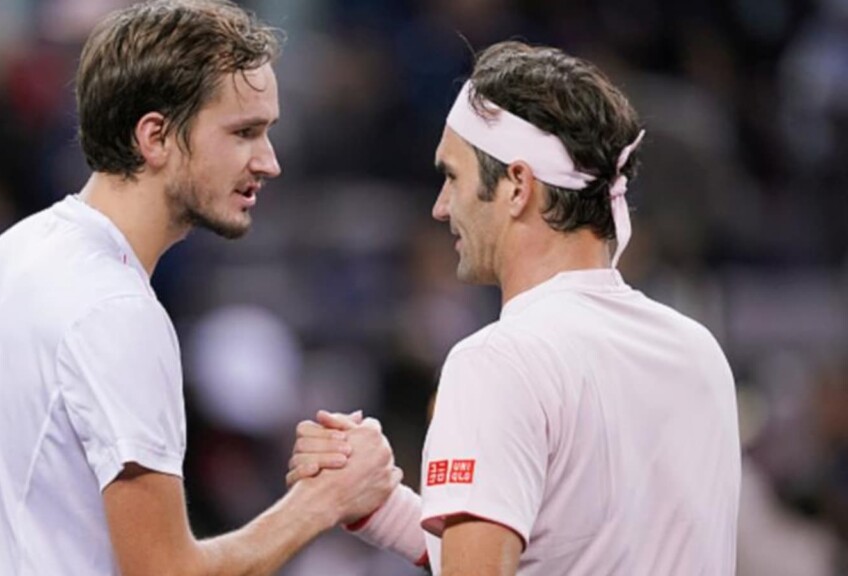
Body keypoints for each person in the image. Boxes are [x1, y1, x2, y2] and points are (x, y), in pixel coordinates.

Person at [0, 1, 401, 575]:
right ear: (155, 136)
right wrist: (322, 501)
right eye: (244, 132)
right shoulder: (117, 311)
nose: (269, 161)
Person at [289, 40, 741, 575]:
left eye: (452, 177)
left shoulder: (496, 362)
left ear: (518, 187)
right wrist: (384, 507)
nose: (440, 207)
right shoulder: (698, 350)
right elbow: (568, 546)